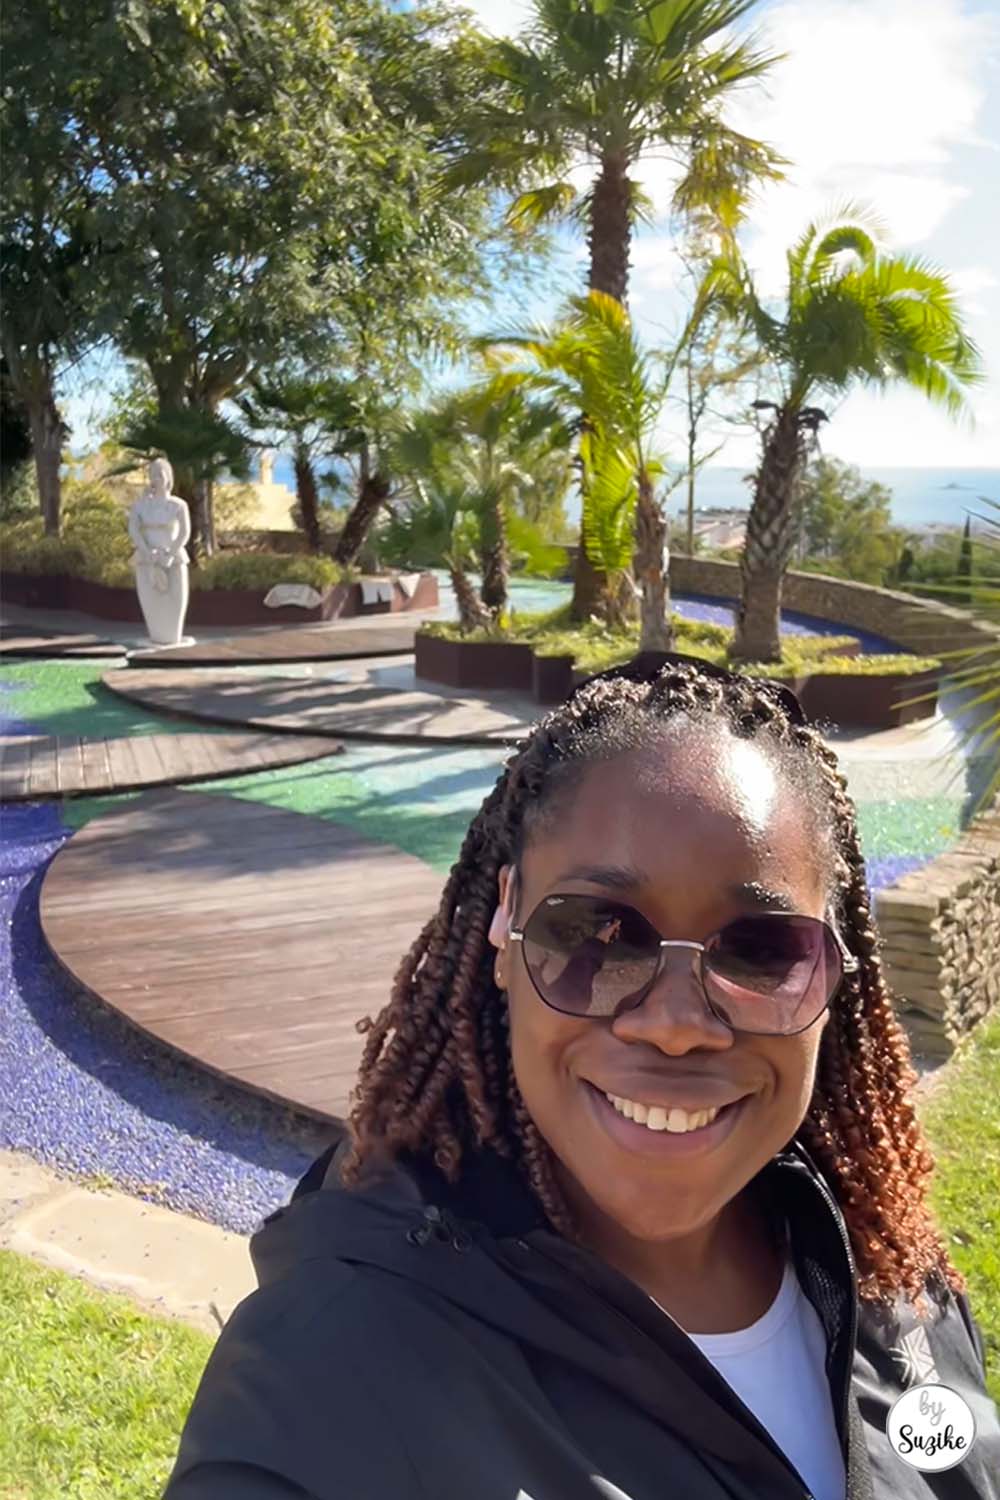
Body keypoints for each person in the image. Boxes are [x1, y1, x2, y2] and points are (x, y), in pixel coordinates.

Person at [165, 657, 999, 1499]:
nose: (674, 1026)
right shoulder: (326, 1381)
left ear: (834, 975)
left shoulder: (893, 1287)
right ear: (503, 920)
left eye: (761, 949)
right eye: (597, 935)